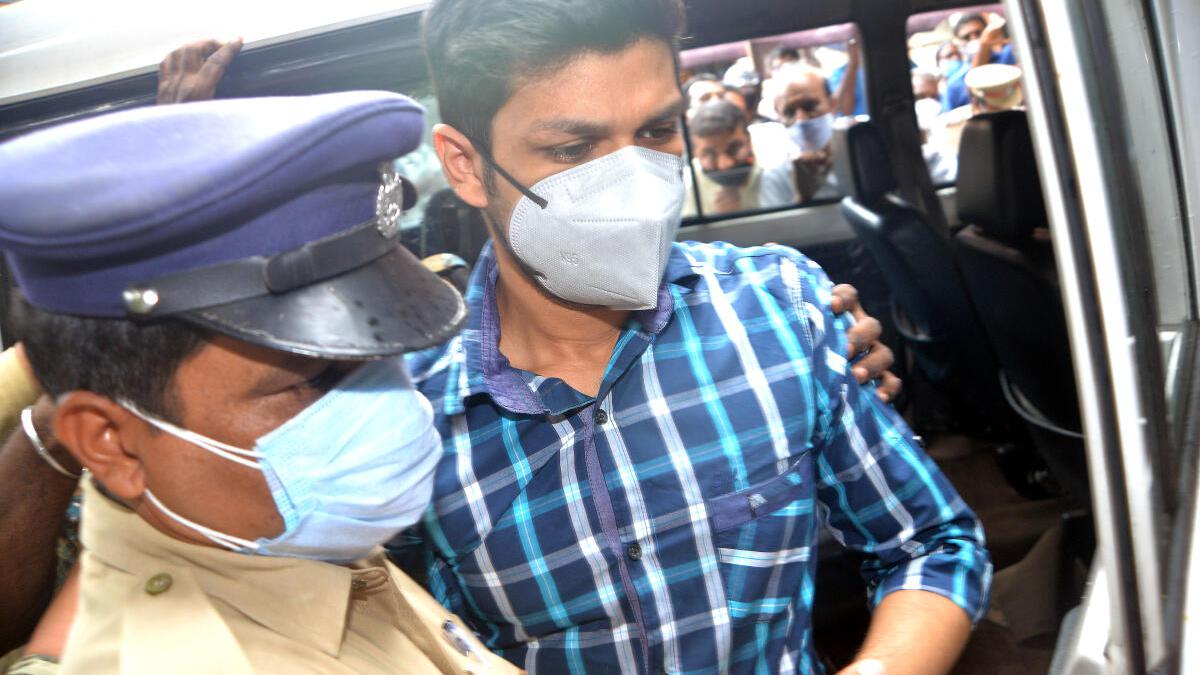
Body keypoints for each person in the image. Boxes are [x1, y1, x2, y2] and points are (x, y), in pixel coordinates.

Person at [399, 0, 988, 673]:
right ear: (465, 164)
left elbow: (931, 543)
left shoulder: (781, 308)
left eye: (657, 130)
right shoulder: (406, 417)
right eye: (572, 150)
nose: (633, 186)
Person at [0, 91, 518, 674]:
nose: (393, 408)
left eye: (384, 355)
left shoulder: (277, 544)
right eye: (316, 379)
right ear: (111, 443)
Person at [682, 99, 796, 216]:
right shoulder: (687, 187)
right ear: (695, 153)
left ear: (749, 140)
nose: (725, 164)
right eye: (710, 155)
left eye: (734, 149)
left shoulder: (777, 159)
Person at [773, 64, 844, 201]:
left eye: (810, 106)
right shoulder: (777, 177)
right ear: (779, 119)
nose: (801, 120)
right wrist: (803, 196)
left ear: (833, 104)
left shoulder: (858, 157)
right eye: (790, 112)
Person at [941, 12, 1017, 113]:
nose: (973, 39)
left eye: (978, 34)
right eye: (966, 37)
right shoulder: (955, 85)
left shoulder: (1007, 59)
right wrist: (983, 46)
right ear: (958, 43)